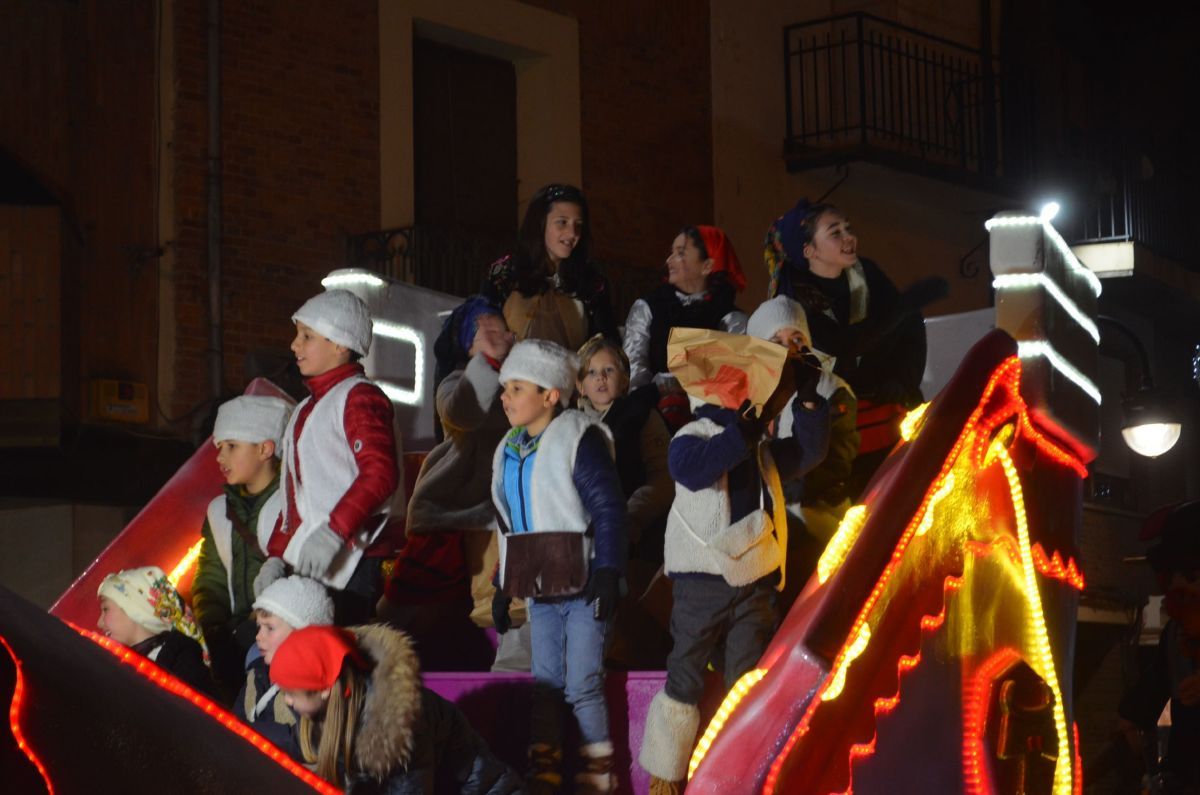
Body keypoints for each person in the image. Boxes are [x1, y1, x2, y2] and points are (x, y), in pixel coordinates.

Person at [638, 339, 830, 795]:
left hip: (755, 584)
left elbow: (808, 454)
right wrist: (742, 429)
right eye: (739, 386)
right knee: (684, 674)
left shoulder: (760, 448)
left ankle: (734, 775)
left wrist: (806, 400)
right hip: (701, 582)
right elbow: (694, 469)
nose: (749, 395)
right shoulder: (691, 436)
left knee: (746, 682)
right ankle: (665, 775)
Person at [489, 339, 627, 794]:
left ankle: (596, 776)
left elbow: (607, 506)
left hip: (583, 580)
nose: (505, 396)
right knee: (546, 684)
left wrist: (608, 569)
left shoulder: (576, 436)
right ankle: (544, 776)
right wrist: (501, 583)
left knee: (583, 683)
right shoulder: (509, 448)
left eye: (516, 387)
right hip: (539, 585)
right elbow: (508, 521)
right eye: (505, 387)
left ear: (550, 394)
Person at [764, 200, 946, 498]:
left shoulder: (866, 273)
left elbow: (907, 324)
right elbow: (841, 345)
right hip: (829, 427)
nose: (849, 236)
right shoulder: (793, 299)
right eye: (835, 232)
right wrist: (905, 304)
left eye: (848, 228)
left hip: (884, 416)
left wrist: (903, 380)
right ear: (809, 251)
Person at [379, 296, 515, 672]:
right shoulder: (455, 381)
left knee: (487, 615)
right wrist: (486, 365)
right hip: (453, 512)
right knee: (408, 608)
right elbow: (462, 412)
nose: (494, 335)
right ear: (466, 343)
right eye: (482, 330)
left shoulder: (524, 383)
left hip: (501, 518)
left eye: (498, 327)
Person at [257, 288, 405, 626]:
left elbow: (380, 474)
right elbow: (297, 500)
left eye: (307, 336)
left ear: (340, 344)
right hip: (318, 559)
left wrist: (335, 532)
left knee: (338, 660)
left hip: (354, 559)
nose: (295, 345)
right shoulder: (308, 407)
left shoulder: (359, 398)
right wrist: (277, 557)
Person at [270, 624, 524, 793]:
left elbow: (410, 789)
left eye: (290, 693)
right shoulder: (327, 711)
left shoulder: (398, 726)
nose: (287, 701)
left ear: (325, 689)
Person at [746, 295, 858, 607]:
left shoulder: (830, 390)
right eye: (776, 340)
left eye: (797, 338)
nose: (790, 348)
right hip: (758, 515)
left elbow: (828, 467)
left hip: (811, 513)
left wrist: (769, 497)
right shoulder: (749, 390)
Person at [575, 334, 675, 668]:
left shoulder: (642, 417)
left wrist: (630, 517)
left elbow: (664, 478)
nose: (600, 378)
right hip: (576, 547)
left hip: (634, 541)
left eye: (609, 370)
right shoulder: (565, 424)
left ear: (626, 378)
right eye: (592, 372)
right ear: (580, 384)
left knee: (628, 632)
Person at [192, 394, 291, 699]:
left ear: (265, 448)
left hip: (281, 646)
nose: (220, 458)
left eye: (231, 446)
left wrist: (255, 627)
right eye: (219, 448)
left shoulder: (294, 507)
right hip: (233, 645)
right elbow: (211, 581)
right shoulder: (218, 511)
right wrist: (216, 632)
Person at [623, 225, 749, 431]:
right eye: (671, 252)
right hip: (652, 418)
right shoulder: (649, 308)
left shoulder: (732, 319)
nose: (669, 260)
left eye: (680, 253)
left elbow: (733, 380)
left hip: (710, 423)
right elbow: (634, 366)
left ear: (707, 265)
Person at [1117, 501, 1200, 792]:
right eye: (1174, 576)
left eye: (1190, 575)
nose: (1180, 587)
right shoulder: (1174, 635)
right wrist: (1129, 718)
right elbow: (1155, 684)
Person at [481, 183, 617, 350]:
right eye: (562, 222)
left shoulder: (591, 282)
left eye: (578, 225)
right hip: (510, 374)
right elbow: (483, 329)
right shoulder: (505, 272)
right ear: (540, 223)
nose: (573, 233)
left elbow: (607, 345)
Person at [234, 575, 334, 751]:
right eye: (259, 627)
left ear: (302, 634)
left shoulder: (310, 688)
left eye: (269, 628)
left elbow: (305, 741)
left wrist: (245, 733)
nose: (258, 636)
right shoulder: (257, 672)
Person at [97, 565, 217, 698]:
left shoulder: (184, 666)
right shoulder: (125, 671)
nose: (99, 623)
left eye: (105, 609)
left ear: (135, 608)